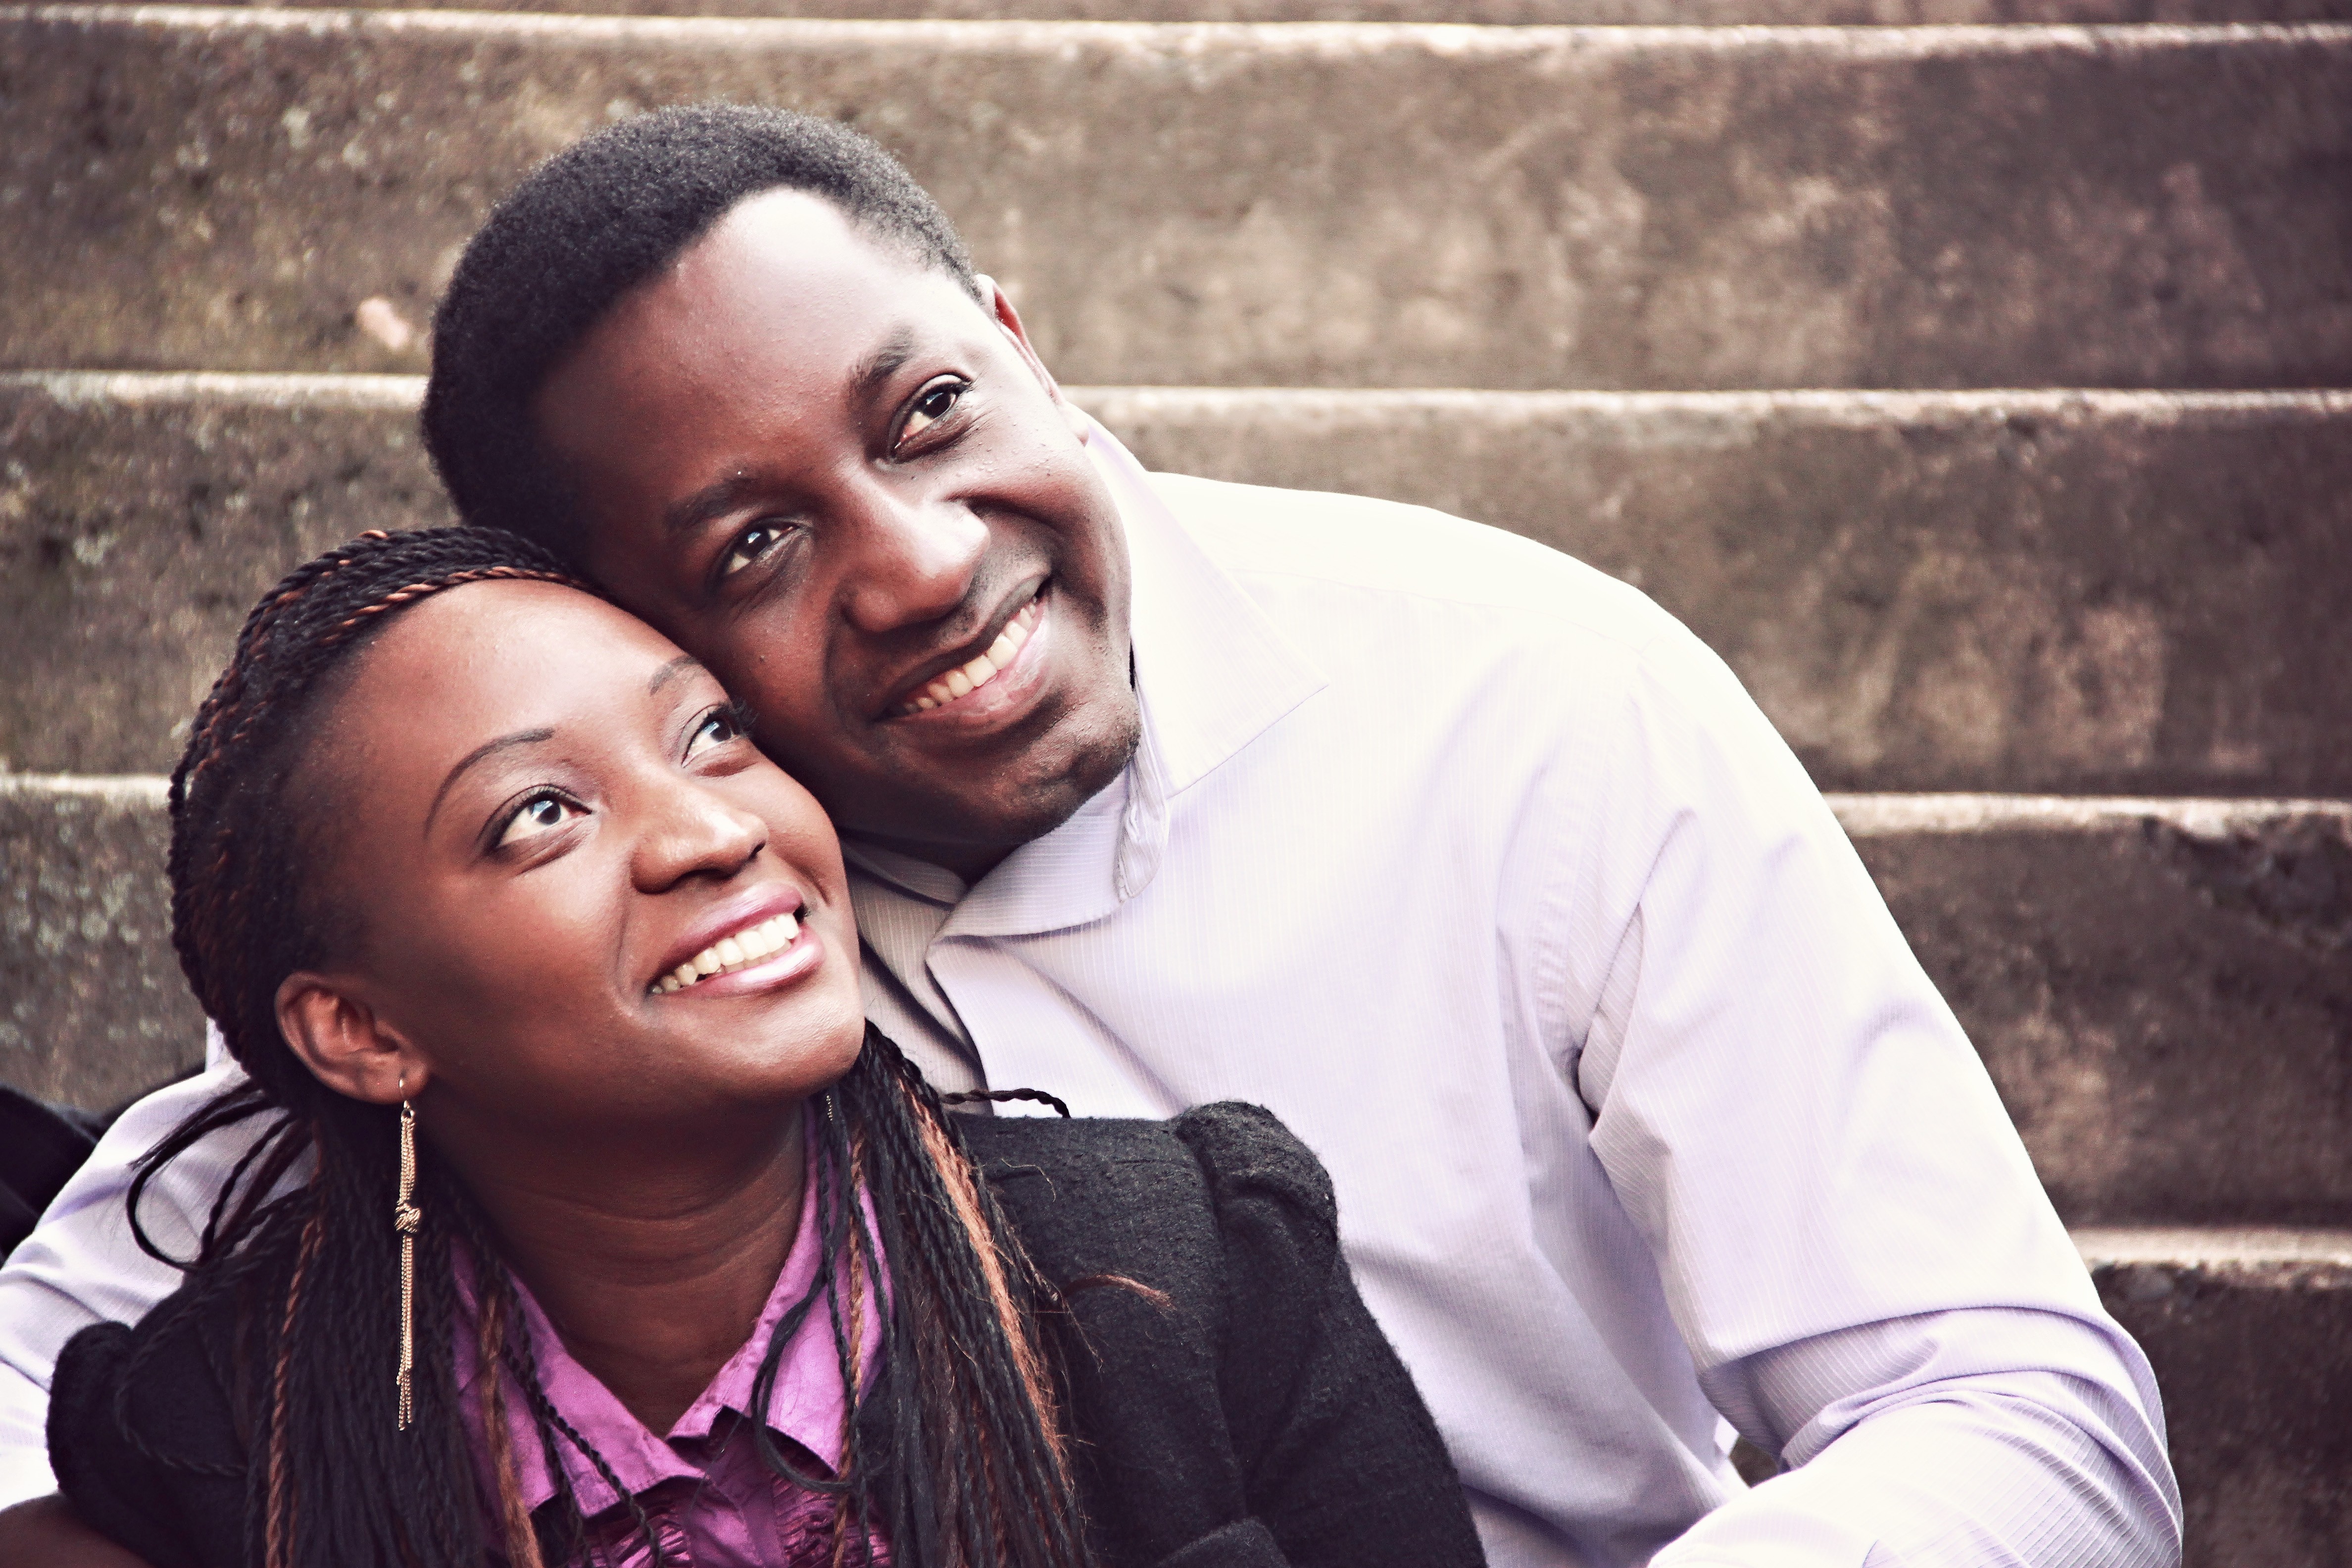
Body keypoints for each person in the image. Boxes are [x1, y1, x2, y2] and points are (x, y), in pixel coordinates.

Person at [0, 106, 2181, 1565]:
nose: (926, 561)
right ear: (607, 632)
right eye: (756, 542)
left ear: (1021, 347)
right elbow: (55, 1364)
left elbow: (2009, 1405)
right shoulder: (611, 918)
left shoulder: (1523, 694)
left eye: (931, 413)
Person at [1, 527, 1487, 1568]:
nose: (713, 832)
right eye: (542, 816)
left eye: (711, 734)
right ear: (366, 1031)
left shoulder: (1195, 1266)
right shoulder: (210, 1443)